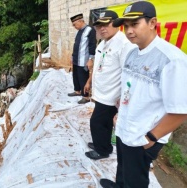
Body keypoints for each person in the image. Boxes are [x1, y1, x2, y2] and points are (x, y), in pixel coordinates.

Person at [99, 1, 187, 188]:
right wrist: (120, 114)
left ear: (153, 23)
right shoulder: (132, 53)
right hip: (125, 127)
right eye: (126, 26)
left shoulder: (172, 60)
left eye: (135, 24)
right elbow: (129, 89)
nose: (129, 31)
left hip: (143, 136)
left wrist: (152, 137)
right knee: (123, 168)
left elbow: (180, 110)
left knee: (135, 180)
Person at [83, 10, 136, 160]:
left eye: (106, 24)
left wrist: (123, 95)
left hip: (112, 95)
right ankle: (103, 144)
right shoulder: (104, 42)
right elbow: (99, 66)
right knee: (104, 123)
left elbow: (129, 74)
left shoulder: (124, 44)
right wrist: (89, 82)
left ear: (116, 24)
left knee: (97, 122)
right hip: (101, 93)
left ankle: (102, 150)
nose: (102, 28)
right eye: (99, 25)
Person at [68, 13, 96, 104]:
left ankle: (86, 96)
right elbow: (76, 45)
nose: (74, 26)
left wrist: (90, 59)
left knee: (83, 77)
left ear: (80, 21)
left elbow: (92, 45)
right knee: (75, 76)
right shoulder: (79, 31)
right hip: (76, 58)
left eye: (74, 24)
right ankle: (77, 91)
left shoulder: (90, 30)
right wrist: (72, 56)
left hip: (84, 59)